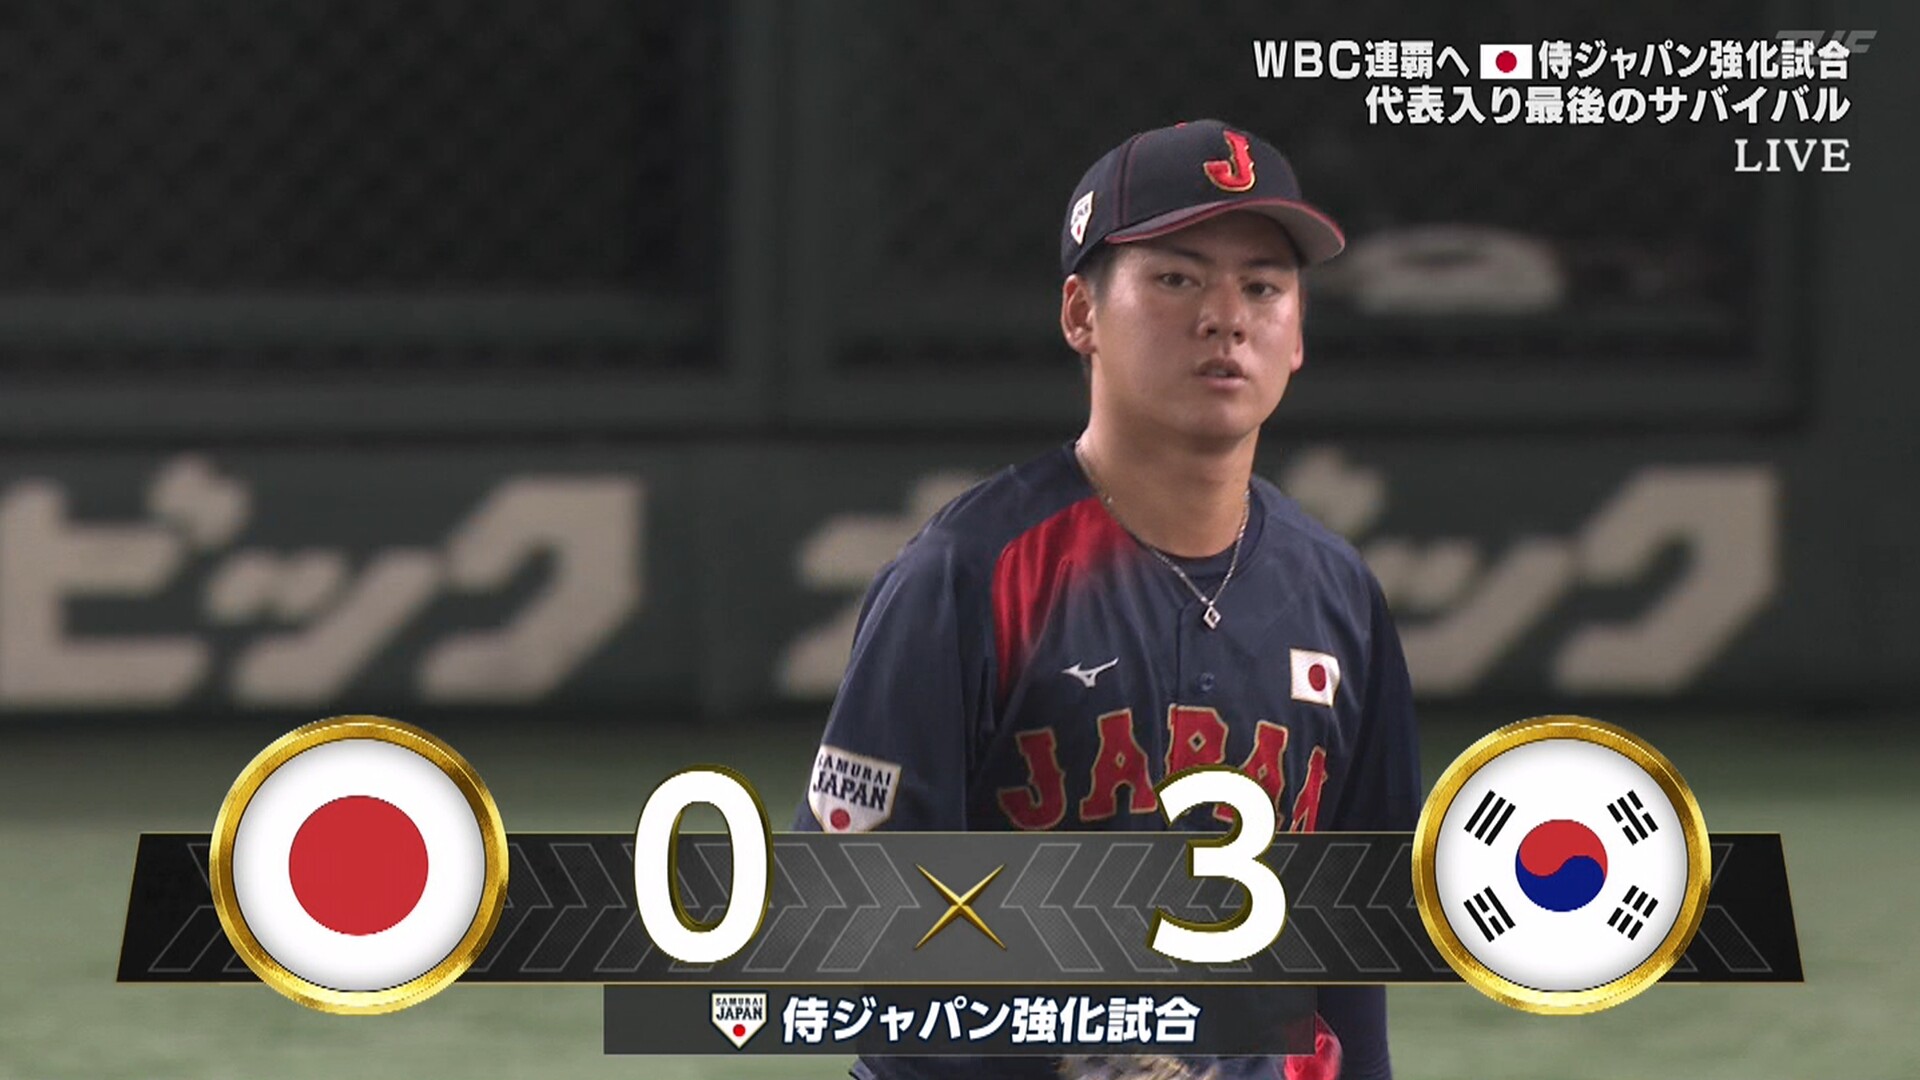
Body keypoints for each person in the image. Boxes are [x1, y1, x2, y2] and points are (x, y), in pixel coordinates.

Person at [792, 119, 1420, 1080]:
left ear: (1298, 335)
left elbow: (1349, 942)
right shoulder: (969, 576)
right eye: (1176, 279)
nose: (1226, 317)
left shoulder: (1338, 594)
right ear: (1081, 313)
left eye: (1263, 287)